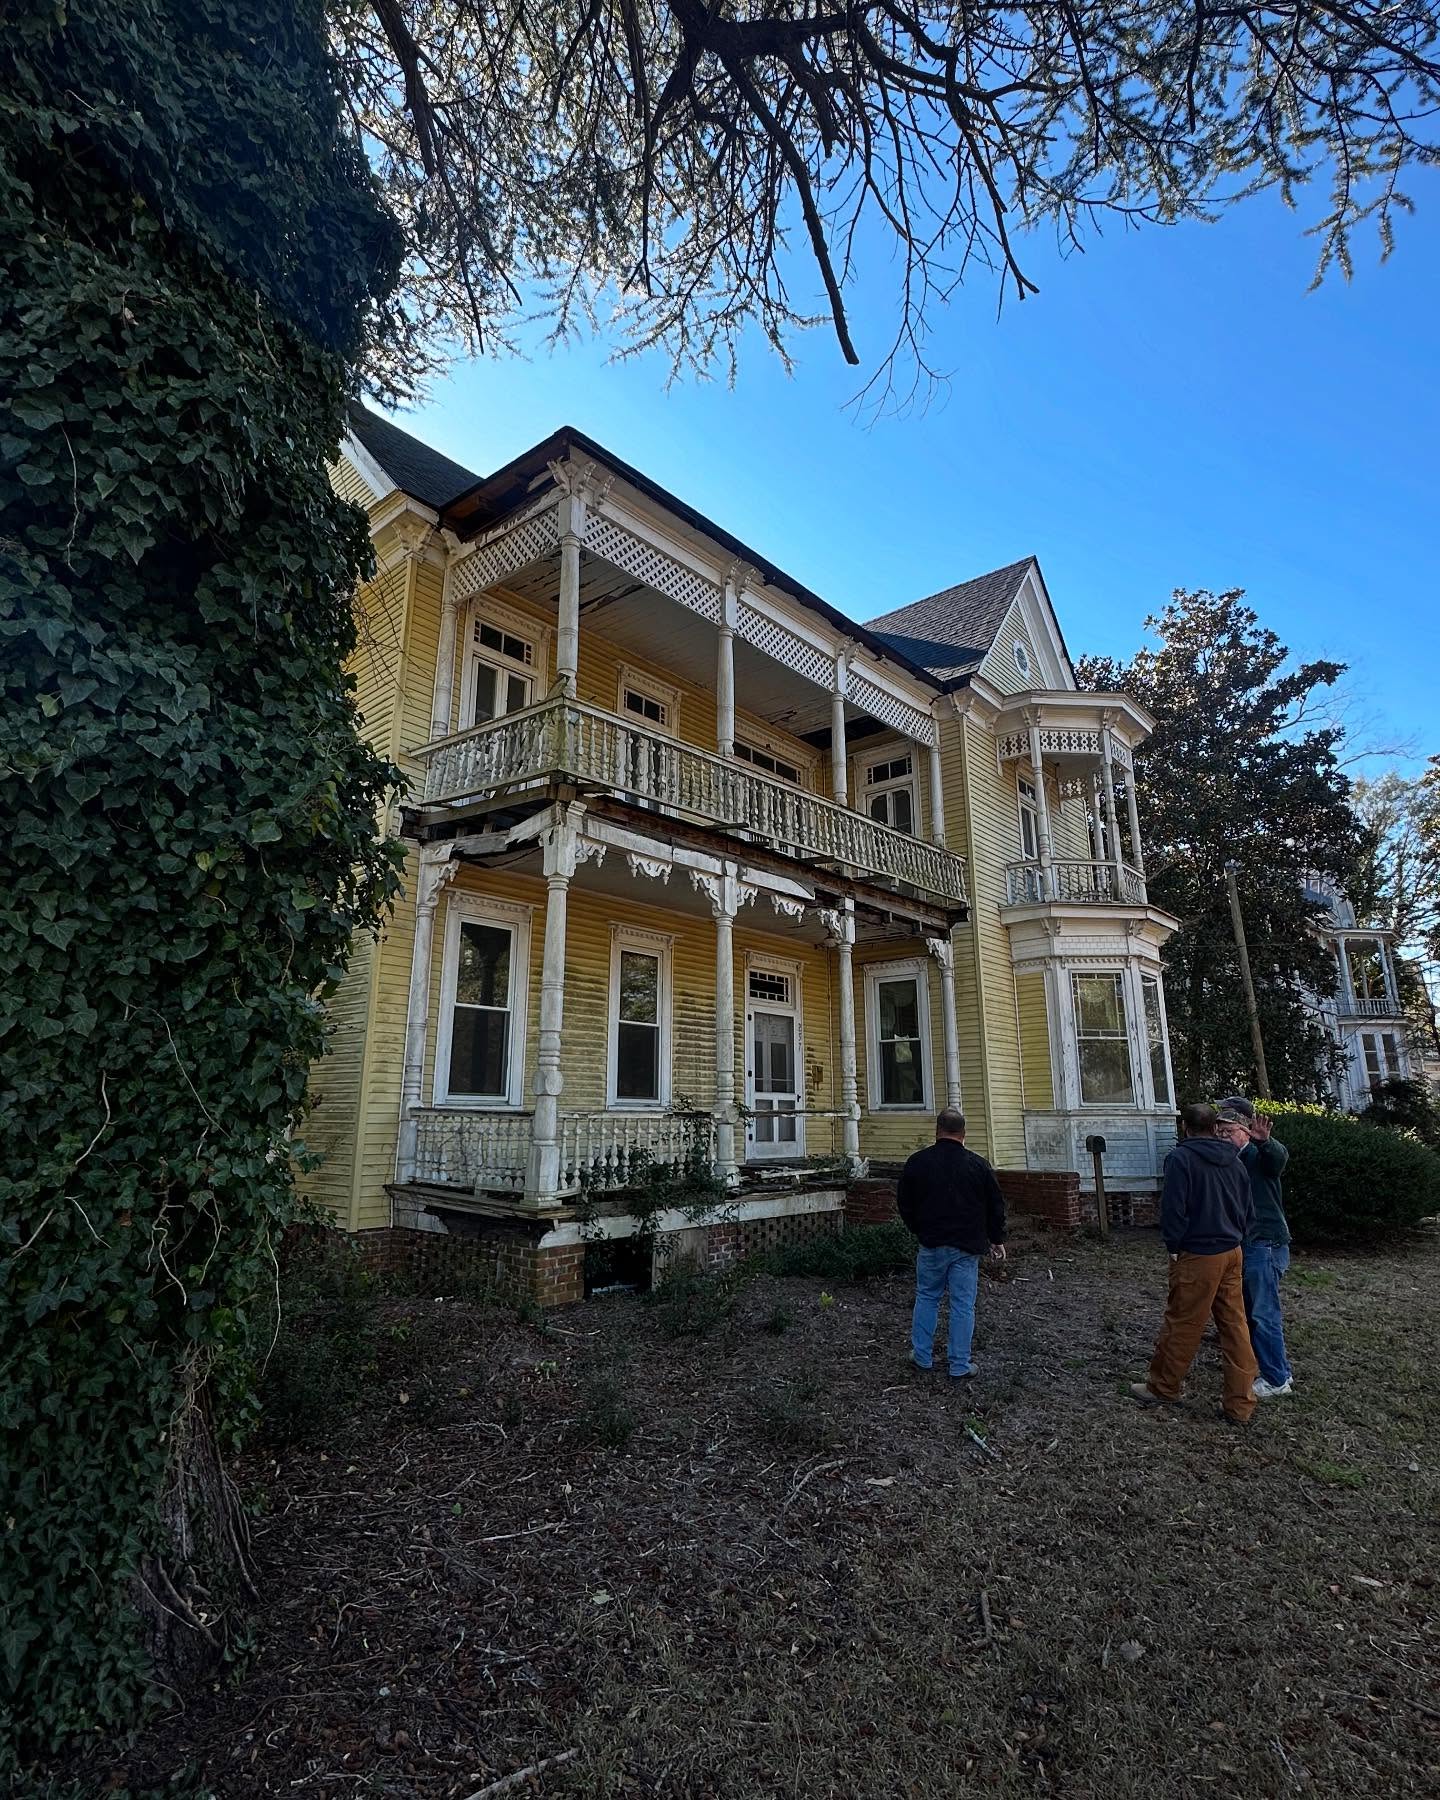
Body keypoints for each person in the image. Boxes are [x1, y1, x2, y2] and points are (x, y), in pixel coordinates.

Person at [1130, 1102, 1258, 1425]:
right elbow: (1248, 1207)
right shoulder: (1235, 1159)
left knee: (1183, 1323)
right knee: (1236, 1327)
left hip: (1199, 1254)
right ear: (1215, 1128)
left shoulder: (1181, 1159)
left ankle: (1163, 1387)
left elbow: (1173, 1207)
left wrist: (1174, 1245)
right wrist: (1238, 1236)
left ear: (1185, 1129)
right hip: (1232, 1251)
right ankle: (1240, 1404)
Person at [897, 1108, 1007, 1380]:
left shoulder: (917, 1162)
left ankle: (922, 1356)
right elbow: (995, 1206)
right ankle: (959, 1364)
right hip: (967, 1246)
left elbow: (904, 1203)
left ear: (937, 1130)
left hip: (932, 1243)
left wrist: (918, 1229)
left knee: (927, 1297)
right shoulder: (978, 1165)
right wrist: (996, 1239)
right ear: (963, 1134)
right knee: (962, 1305)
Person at [1218, 1095, 1295, 1399]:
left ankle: (1276, 1379)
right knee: (1250, 1312)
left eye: (1229, 1132)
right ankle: (1275, 1368)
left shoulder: (1258, 1155)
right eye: (1220, 1132)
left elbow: (1277, 1161)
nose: (1223, 1137)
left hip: (1265, 1245)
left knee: (1264, 1314)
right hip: (1246, 1245)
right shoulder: (1229, 1160)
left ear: (1246, 1131)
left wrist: (1266, 1143)